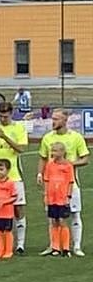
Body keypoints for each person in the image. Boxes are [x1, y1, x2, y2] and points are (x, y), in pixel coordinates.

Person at [37, 109, 89, 257]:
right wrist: (40, 173)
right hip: (53, 186)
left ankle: (76, 246)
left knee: (75, 214)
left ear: (65, 120)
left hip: (70, 183)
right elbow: (43, 157)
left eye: (56, 119)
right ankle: (53, 246)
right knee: (52, 216)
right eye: (53, 118)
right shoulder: (47, 138)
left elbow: (85, 158)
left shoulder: (76, 137)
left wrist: (69, 164)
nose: (53, 121)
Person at [0, 101, 29, 255]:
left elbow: (21, 148)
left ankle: (20, 244)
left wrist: (5, 137)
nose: (3, 119)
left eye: (6, 116)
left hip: (14, 176)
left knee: (18, 209)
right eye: (1, 116)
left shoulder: (18, 128)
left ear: (11, 114)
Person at [43, 142, 76, 257]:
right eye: (52, 150)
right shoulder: (49, 165)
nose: (52, 153)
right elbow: (46, 180)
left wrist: (68, 196)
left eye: (55, 151)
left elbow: (71, 182)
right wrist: (46, 195)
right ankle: (55, 247)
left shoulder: (68, 166)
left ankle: (66, 248)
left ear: (62, 152)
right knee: (54, 221)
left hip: (62, 198)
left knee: (62, 221)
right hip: (52, 198)